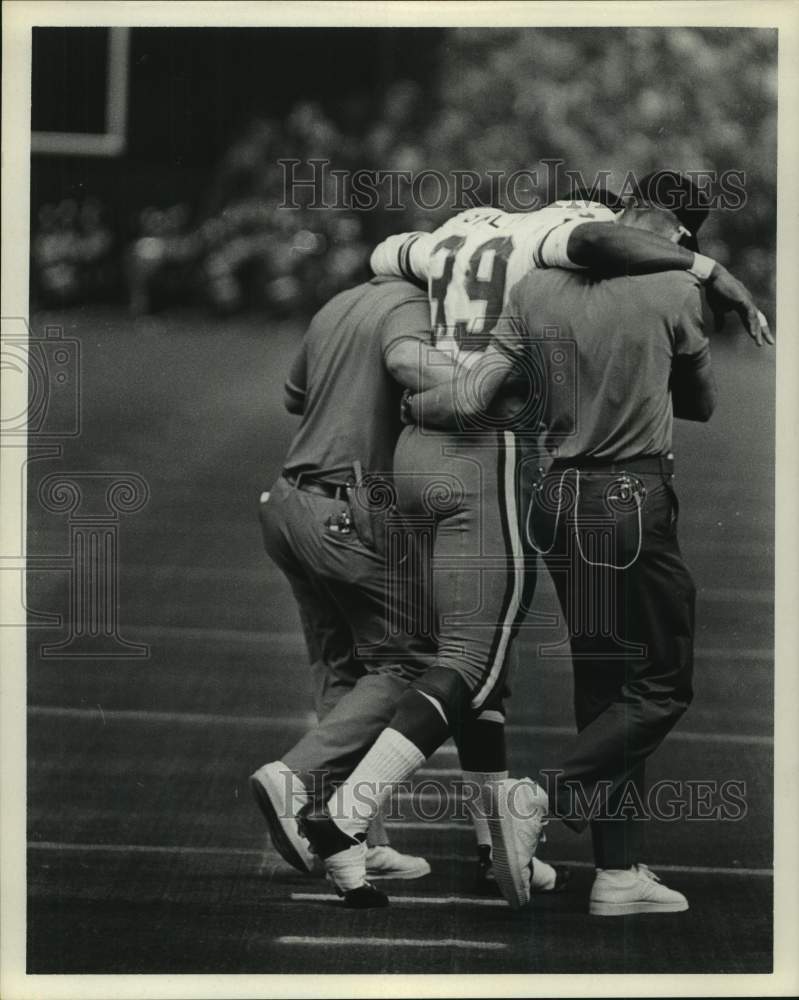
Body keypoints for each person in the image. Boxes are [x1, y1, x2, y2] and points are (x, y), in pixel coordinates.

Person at [296, 174, 771, 906]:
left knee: (604, 686)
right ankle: (540, 801)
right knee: (658, 685)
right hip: (629, 493)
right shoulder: (672, 289)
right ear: (675, 233)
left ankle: (616, 873)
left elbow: (467, 391)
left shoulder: (533, 292)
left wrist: (417, 407)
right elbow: (699, 402)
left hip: (554, 494)